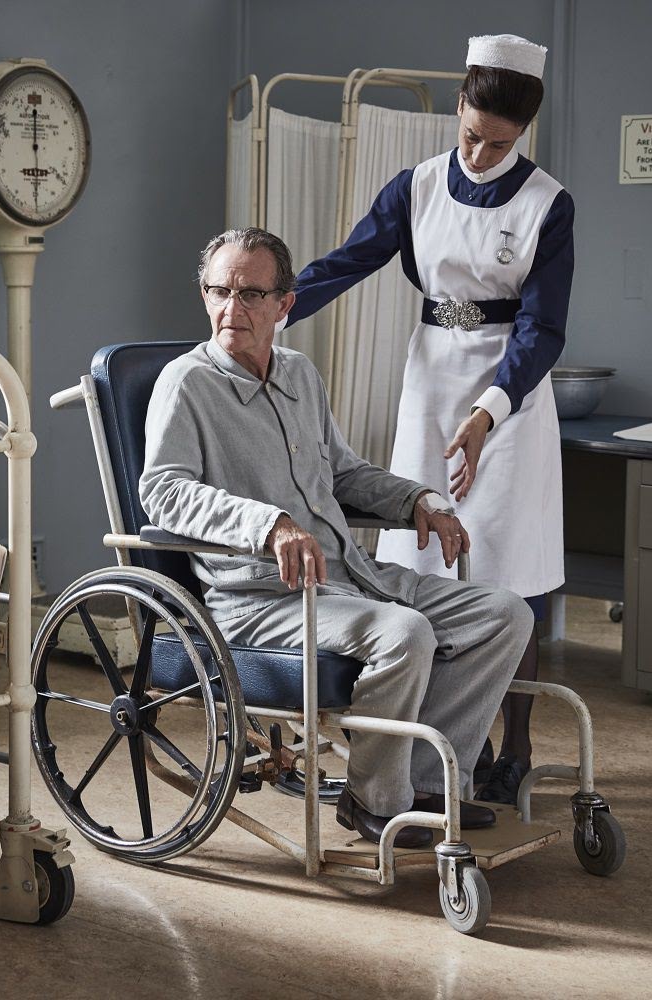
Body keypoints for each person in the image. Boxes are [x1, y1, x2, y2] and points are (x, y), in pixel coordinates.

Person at [140, 227, 534, 848]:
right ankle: (372, 800)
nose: (230, 308)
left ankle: (428, 787)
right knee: (405, 633)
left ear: (284, 304)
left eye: (250, 294)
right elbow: (163, 490)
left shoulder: (300, 374)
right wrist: (266, 523)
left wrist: (419, 499)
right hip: (259, 598)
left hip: (347, 573)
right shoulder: (186, 383)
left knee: (503, 614)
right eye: (218, 291)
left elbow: (344, 473)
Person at [282, 33, 574, 806]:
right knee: (418, 564)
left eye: (499, 144)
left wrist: (487, 415)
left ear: (524, 136)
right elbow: (348, 262)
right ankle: (431, 742)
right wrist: (272, 307)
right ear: (457, 110)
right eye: (472, 135)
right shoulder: (416, 187)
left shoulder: (548, 203)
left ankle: (512, 749)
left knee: (508, 571)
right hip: (432, 375)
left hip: (509, 395)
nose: (480, 155)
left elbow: (542, 329)